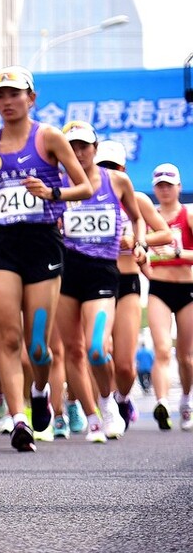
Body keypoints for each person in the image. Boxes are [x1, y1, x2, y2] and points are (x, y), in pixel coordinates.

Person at [0, 66, 92, 453]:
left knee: (38, 345)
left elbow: (83, 186)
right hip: (2, 243)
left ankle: (39, 389)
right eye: (0, 96)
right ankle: (19, 418)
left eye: (15, 94)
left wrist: (52, 194)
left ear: (31, 98)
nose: (7, 102)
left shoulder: (49, 137)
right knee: (8, 335)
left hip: (42, 242)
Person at [54, 121, 142, 441]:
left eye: (83, 146)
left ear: (94, 147)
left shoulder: (116, 181)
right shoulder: (58, 181)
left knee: (95, 348)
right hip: (66, 270)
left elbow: (136, 217)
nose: (78, 153)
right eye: (71, 147)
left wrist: (138, 240)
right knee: (72, 351)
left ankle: (108, 404)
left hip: (103, 271)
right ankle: (93, 419)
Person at [92, 141, 173, 432]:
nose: (107, 173)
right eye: (102, 167)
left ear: (123, 170)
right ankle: (103, 406)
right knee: (98, 350)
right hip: (93, 281)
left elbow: (164, 233)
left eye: (112, 167)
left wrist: (138, 242)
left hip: (125, 283)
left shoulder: (136, 200)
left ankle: (123, 397)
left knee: (125, 365)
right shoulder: (85, 194)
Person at [145, 162, 193, 431]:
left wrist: (178, 254)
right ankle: (161, 403)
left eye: (169, 185)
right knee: (162, 349)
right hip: (159, 289)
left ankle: (186, 400)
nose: (164, 190)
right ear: (154, 188)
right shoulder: (150, 217)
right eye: (160, 185)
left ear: (178, 187)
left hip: (187, 290)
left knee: (186, 357)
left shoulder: (187, 216)